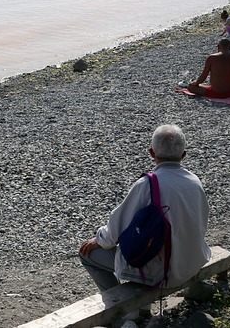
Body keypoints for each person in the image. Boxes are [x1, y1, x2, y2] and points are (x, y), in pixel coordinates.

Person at [79, 125, 211, 293]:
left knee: (87, 254)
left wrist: (98, 240)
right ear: (183, 155)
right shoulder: (194, 181)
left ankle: (122, 308)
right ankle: (196, 292)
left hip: (165, 273)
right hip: (193, 263)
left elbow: (114, 230)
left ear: (152, 153)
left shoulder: (148, 184)